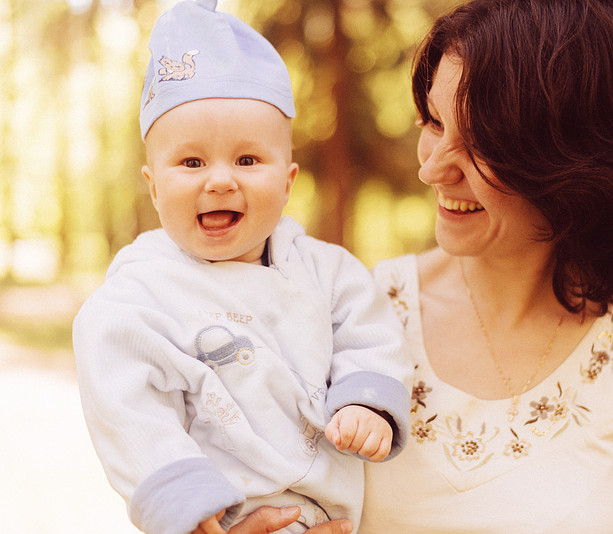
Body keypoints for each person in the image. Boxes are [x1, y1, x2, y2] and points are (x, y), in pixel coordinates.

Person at [186, 0, 613, 532]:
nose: (433, 169)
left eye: (482, 144)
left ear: (581, 162)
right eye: (434, 121)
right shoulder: (346, 318)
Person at [72, 2, 411, 534]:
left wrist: (366, 403)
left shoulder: (327, 272)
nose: (220, 180)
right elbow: (125, 404)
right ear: (154, 187)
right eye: (191, 162)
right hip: (221, 514)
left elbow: (371, 334)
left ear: (288, 181)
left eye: (248, 160)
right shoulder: (138, 293)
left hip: (327, 512)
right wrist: (183, 504)